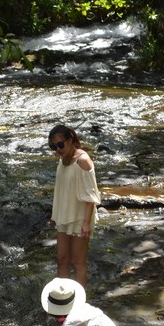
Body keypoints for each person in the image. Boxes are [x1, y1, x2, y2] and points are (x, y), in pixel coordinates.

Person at [47, 123, 100, 291]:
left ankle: (79, 301)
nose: (58, 149)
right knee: (62, 260)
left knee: (78, 263)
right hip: (64, 216)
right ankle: (64, 298)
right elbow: (61, 189)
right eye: (54, 147)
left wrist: (86, 223)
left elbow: (91, 195)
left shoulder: (82, 161)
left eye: (60, 144)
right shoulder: (62, 159)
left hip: (80, 217)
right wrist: (55, 215)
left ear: (70, 140)